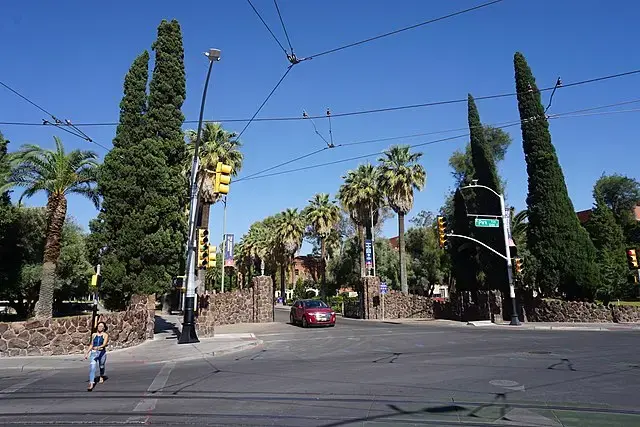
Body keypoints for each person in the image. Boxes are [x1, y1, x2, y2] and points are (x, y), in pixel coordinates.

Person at [84, 321, 109, 391]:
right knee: (92, 368)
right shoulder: (94, 335)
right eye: (99, 326)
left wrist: (98, 347)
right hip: (94, 353)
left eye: (101, 326)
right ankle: (91, 383)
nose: (100, 327)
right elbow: (91, 344)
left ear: (104, 328)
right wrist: (87, 352)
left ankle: (101, 376)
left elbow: (104, 344)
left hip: (102, 353)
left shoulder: (105, 335)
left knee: (101, 366)